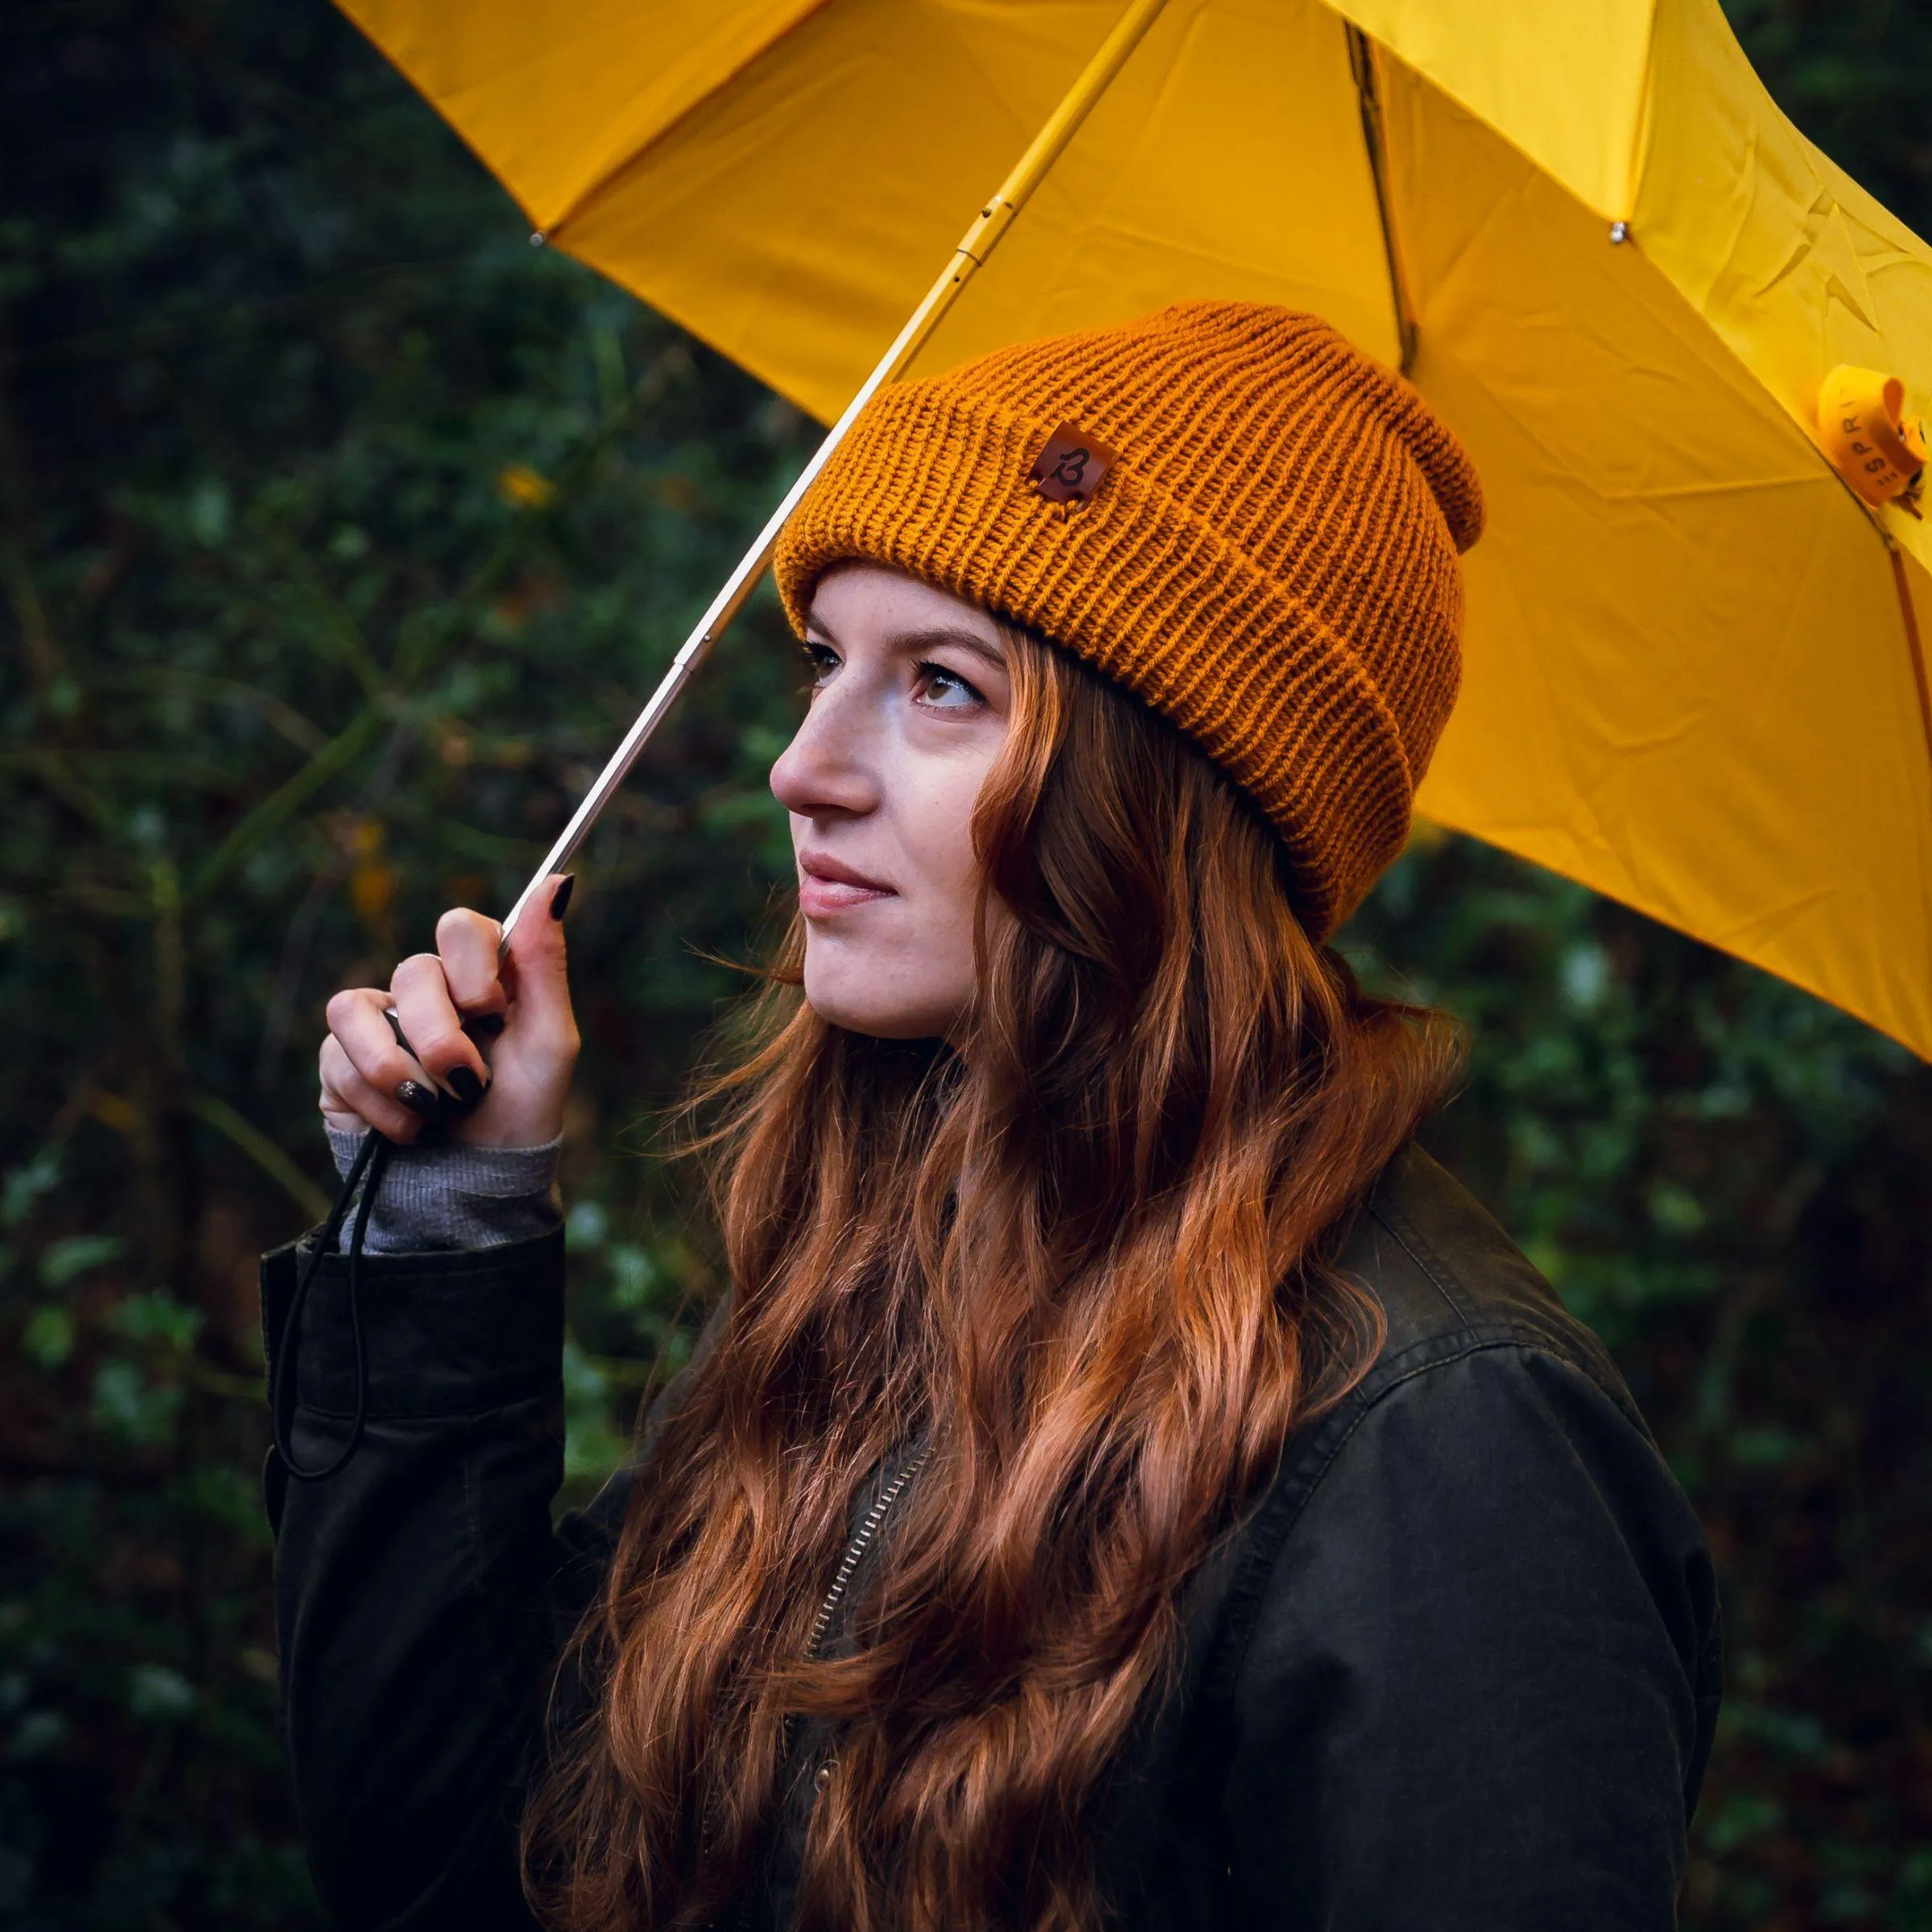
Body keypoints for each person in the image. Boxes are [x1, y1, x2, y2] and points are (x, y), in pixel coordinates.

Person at [266, 303, 1722, 1932]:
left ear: (1164, 794)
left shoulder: (1449, 1451)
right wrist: (443, 1241)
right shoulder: (857, 1281)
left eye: (942, 687)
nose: (800, 768)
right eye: (827, 664)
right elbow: (454, 1881)